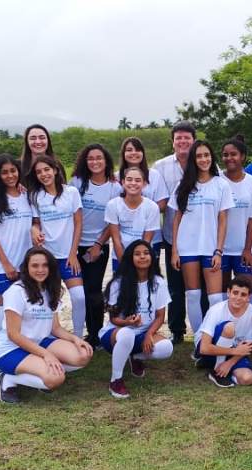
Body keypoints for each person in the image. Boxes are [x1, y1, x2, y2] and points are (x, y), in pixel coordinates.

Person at [0, 247, 93, 403]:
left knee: (83, 355)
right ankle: (8, 379)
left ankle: (40, 370)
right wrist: (46, 355)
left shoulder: (50, 289)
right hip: (12, 349)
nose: (40, 270)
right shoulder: (16, 292)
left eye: (45, 265)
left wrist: (75, 340)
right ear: (26, 268)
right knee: (55, 379)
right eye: (35, 265)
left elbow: (55, 328)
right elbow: (13, 335)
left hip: (40, 342)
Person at [170, 140, 235, 337]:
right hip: (187, 247)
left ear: (212, 157)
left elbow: (223, 220)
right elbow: (176, 219)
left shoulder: (221, 184)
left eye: (206, 155)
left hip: (210, 248)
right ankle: (199, 340)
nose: (203, 159)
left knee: (215, 298)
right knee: (192, 295)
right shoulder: (183, 186)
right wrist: (174, 250)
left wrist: (219, 250)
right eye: (199, 156)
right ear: (193, 159)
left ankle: (214, 336)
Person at [0, 154, 34, 378]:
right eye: (4, 172)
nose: (10, 175)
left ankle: (14, 349)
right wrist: (5, 263)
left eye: (13, 171)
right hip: (2, 265)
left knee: (20, 309)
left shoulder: (26, 195)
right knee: (3, 310)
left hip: (25, 264)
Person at [99, 239, 174, 399]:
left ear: (152, 257)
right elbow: (113, 319)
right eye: (137, 254)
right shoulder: (118, 283)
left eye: (146, 253)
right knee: (127, 334)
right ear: (130, 258)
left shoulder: (159, 282)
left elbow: (160, 317)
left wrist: (148, 335)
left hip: (142, 334)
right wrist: (127, 322)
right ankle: (116, 380)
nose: (142, 257)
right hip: (115, 333)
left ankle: (134, 356)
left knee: (167, 347)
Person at [25, 155, 87, 338]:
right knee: (50, 300)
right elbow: (35, 223)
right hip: (47, 257)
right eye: (39, 172)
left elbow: (78, 224)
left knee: (79, 297)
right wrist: (34, 230)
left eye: (46, 169)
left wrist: (73, 253)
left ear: (55, 170)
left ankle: (77, 336)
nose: (44, 174)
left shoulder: (71, 193)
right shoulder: (35, 196)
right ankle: (50, 335)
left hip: (68, 257)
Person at [70, 143, 122, 344]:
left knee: (93, 291)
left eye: (99, 158)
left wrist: (99, 244)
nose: (95, 162)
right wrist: (72, 249)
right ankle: (76, 332)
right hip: (74, 247)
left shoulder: (115, 187)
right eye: (90, 158)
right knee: (78, 292)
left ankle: (95, 334)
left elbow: (113, 222)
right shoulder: (76, 182)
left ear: (106, 160)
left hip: (97, 247)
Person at [153, 121, 198, 344]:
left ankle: (204, 328)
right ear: (172, 141)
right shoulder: (160, 167)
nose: (182, 142)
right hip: (173, 237)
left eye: (187, 138)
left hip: (200, 237)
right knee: (175, 286)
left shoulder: (204, 164)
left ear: (193, 141)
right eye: (178, 138)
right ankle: (177, 329)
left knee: (200, 287)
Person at [194, 276, 252, 388]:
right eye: (235, 293)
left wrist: (230, 363)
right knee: (229, 327)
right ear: (228, 292)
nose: (238, 298)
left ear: (249, 297)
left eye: (243, 295)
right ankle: (217, 371)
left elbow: (247, 346)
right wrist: (234, 351)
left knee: (247, 379)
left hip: (233, 351)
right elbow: (204, 348)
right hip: (209, 348)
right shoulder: (216, 310)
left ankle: (218, 367)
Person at [119, 137, 169, 268]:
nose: (133, 153)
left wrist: (142, 215)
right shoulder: (115, 177)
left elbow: (162, 203)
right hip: (125, 238)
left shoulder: (154, 175)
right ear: (123, 154)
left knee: (149, 275)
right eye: (129, 150)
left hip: (152, 237)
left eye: (137, 149)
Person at [219, 136, 252, 288]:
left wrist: (247, 248)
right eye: (225, 154)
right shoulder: (217, 179)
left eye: (233, 154)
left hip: (242, 249)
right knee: (221, 293)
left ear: (242, 156)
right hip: (219, 250)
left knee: (246, 291)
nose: (229, 158)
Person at [105, 166, 161, 271]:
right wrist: (125, 264)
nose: (133, 183)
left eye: (138, 180)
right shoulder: (113, 205)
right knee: (122, 286)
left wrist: (139, 261)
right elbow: (116, 240)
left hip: (143, 258)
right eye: (129, 179)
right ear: (123, 182)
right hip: (119, 256)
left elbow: (147, 241)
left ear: (144, 184)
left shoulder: (152, 207)